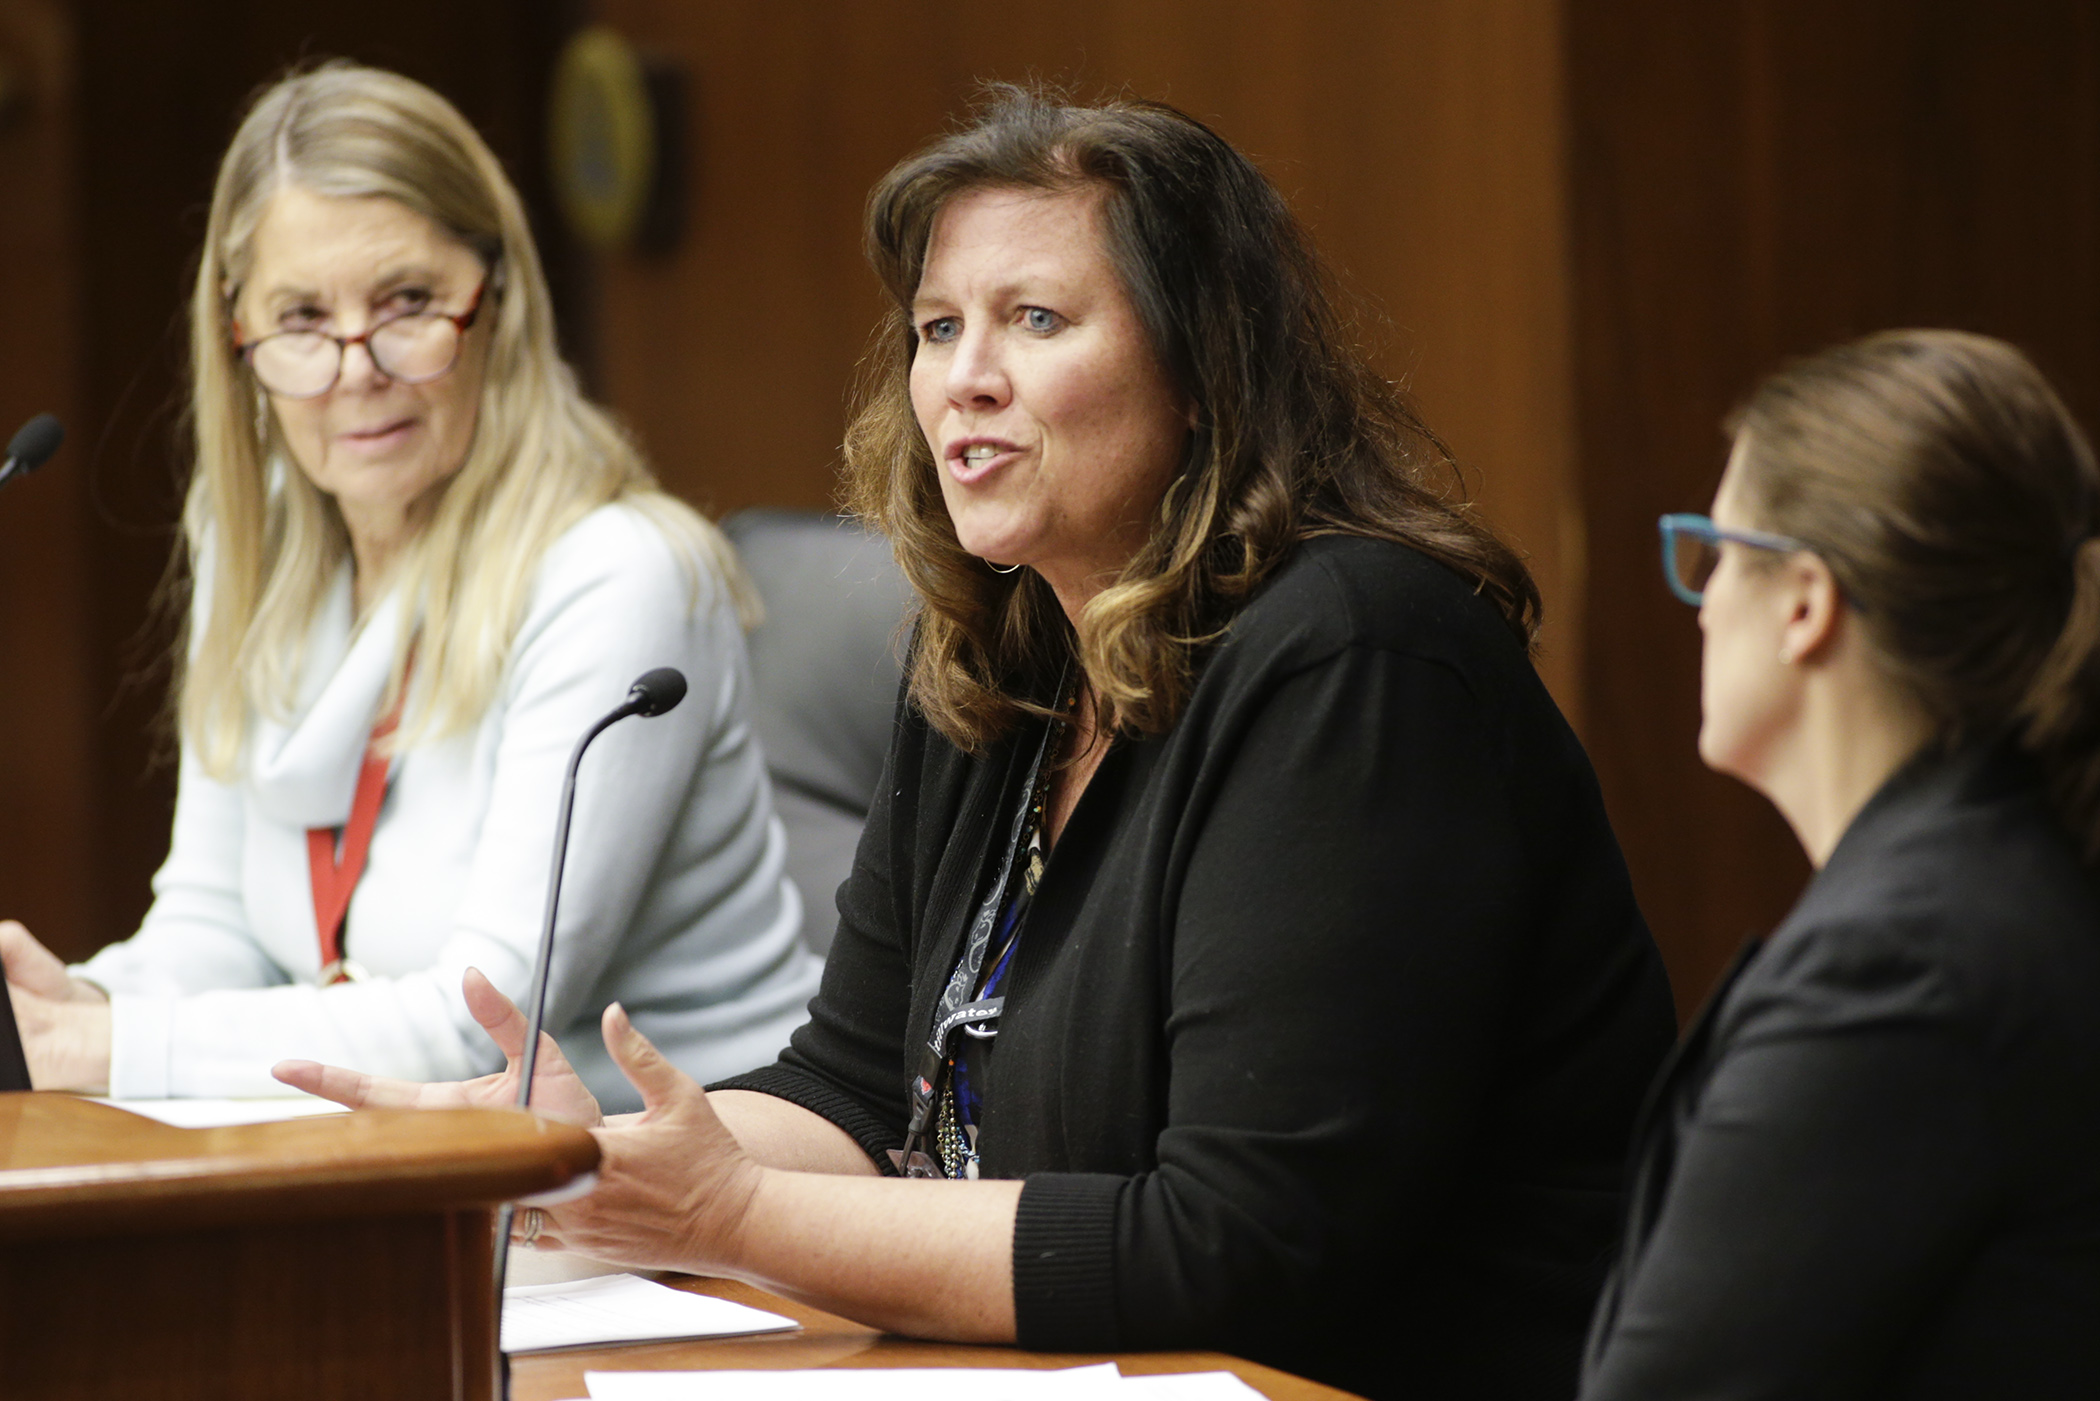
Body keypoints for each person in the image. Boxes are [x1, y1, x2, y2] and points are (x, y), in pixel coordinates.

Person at [281, 88, 1674, 1399]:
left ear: (1202, 372)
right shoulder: (1001, 659)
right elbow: (856, 1087)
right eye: (939, 329)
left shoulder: (1359, 663)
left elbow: (1234, 1252)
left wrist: (734, 1211)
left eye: (1036, 319)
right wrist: (596, 1165)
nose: (967, 380)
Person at [0, 63, 822, 1111]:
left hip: (680, 1202)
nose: (355, 368)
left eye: (407, 304)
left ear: (499, 304)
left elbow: (477, 1024)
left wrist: (103, 1049)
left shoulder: (618, 575)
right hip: (420, 1167)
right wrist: (73, 1002)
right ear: (237, 337)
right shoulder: (249, 544)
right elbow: (217, 926)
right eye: (301, 317)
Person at [1582, 330, 2100, 1397]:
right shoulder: (1996, 870)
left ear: (1807, 604)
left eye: (1719, 551)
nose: (1707, 597)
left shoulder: (1901, 969)